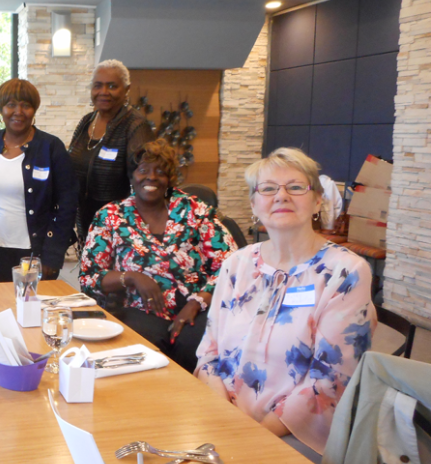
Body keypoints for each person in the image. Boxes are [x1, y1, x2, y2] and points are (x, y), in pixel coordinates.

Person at [194, 148, 377, 462]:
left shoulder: (345, 272)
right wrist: (224, 417)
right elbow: (208, 350)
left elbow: (329, 380)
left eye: (295, 187)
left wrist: (251, 433)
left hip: (296, 430)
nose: (281, 196)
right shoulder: (236, 264)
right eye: (267, 188)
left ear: (317, 200)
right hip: (223, 415)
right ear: (254, 204)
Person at [79, 138, 237, 372]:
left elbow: (231, 266)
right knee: (145, 352)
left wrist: (197, 302)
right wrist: (131, 277)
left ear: (169, 178)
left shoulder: (194, 209)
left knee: (197, 349)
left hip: (195, 308)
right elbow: (89, 278)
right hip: (138, 310)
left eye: (160, 171)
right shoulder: (110, 216)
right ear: (132, 176)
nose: (151, 177)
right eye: (143, 170)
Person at [0, 79, 77, 282]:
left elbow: (67, 205)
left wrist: (53, 256)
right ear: (1, 109)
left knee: (30, 308)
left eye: (26, 105)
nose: (18, 111)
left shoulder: (51, 147)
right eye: (11, 105)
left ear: (34, 110)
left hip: (34, 253)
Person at [68, 59, 154, 244]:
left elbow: (145, 179)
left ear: (126, 90)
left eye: (112, 86)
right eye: (98, 85)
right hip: (87, 225)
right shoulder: (86, 122)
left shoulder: (135, 126)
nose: (103, 92)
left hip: (120, 232)